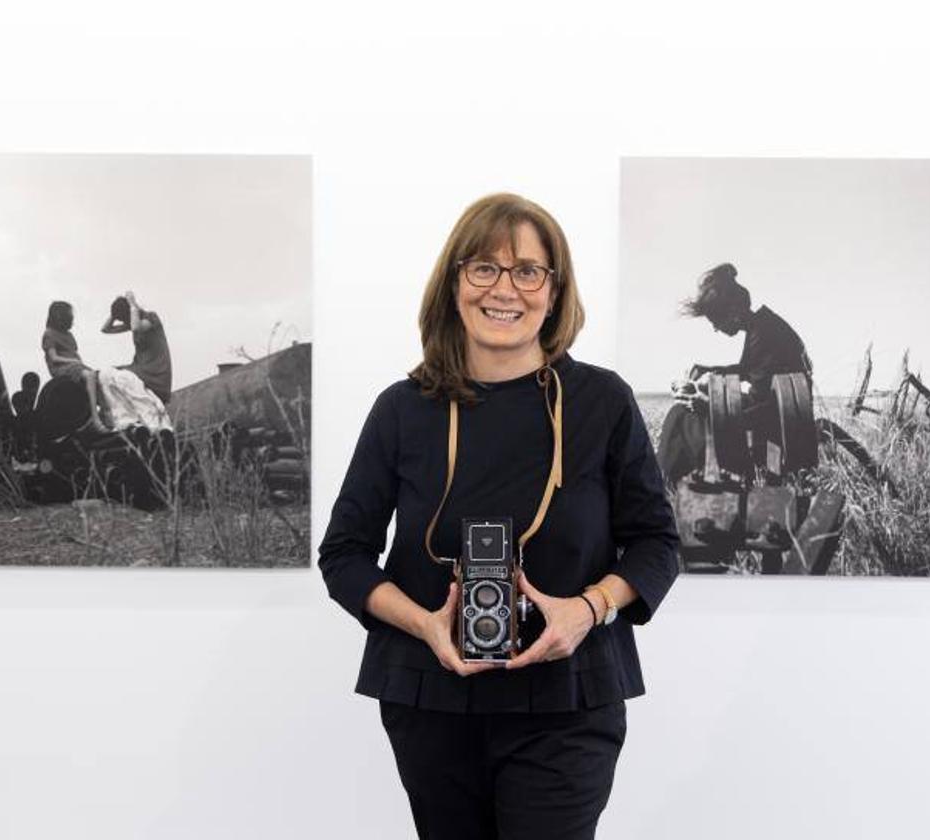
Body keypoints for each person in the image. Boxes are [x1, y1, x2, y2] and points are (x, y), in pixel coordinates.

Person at [319, 193, 679, 840]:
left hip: (570, 695)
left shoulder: (602, 402)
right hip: (431, 693)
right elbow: (344, 555)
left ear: (554, 288)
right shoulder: (403, 409)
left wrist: (589, 608)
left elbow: (655, 544)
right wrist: (425, 624)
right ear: (454, 284)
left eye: (527, 271)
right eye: (483, 268)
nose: (504, 289)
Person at [658, 262, 812, 481]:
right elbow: (752, 371)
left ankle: (662, 486)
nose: (715, 329)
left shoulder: (763, 335)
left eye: (716, 322)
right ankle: (664, 484)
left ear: (733, 314)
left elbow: (761, 407)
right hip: (779, 421)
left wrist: (707, 405)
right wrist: (712, 372)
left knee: (681, 416)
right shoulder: (764, 326)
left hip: (776, 431)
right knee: (682, 416)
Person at [41, 301, 109, 433]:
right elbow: (54, 358)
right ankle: (95, 418)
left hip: (75, 365)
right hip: (61, 367)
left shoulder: (69, 335)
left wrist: (79, 363)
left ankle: (107, 414)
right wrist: (73, 361)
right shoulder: (49, 333)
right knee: (90, 376)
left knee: (99, 377)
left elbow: (75, 354)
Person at [101, 291, 172, 404]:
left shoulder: (151, 317)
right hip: (140, 367)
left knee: (114, 375)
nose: (125, 322)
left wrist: (132, 304)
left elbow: (136, 327)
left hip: (154, 371)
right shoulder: (133, 322)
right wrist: (113, 314)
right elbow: (105, 330)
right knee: (105, 374)